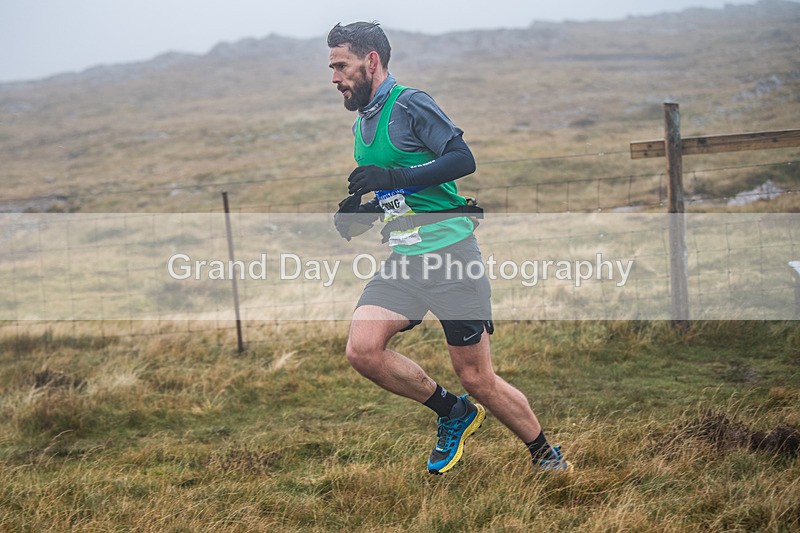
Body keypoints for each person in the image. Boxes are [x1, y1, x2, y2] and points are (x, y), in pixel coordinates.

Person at [328, 21, 571, 474]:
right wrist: (366, 214)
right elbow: (403, 195)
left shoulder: (410, 104)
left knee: (477, 377)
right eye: (332, 68)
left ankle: (546, 456)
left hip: (451, 256)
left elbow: (462, 159)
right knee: (363, 350)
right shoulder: (363, 123)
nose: (335, 77)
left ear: (371, 61)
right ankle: (452, 413)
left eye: (341, 66)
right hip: (406, 260)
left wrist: (394, 177)